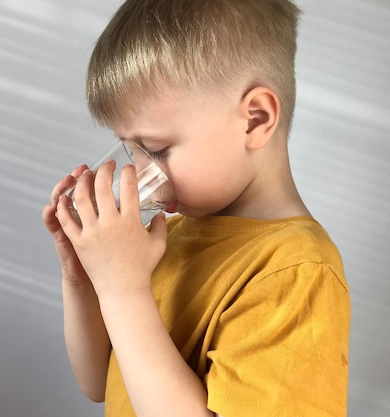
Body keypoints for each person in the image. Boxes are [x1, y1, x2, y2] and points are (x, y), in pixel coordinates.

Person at [41, 0, 350, 416]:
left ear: (255, 120)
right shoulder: (170, 235)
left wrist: (122, 287)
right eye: (132, 150)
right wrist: (83, 277)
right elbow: (98, 381)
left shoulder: (295, 271)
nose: (139, 172)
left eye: (156, 150)